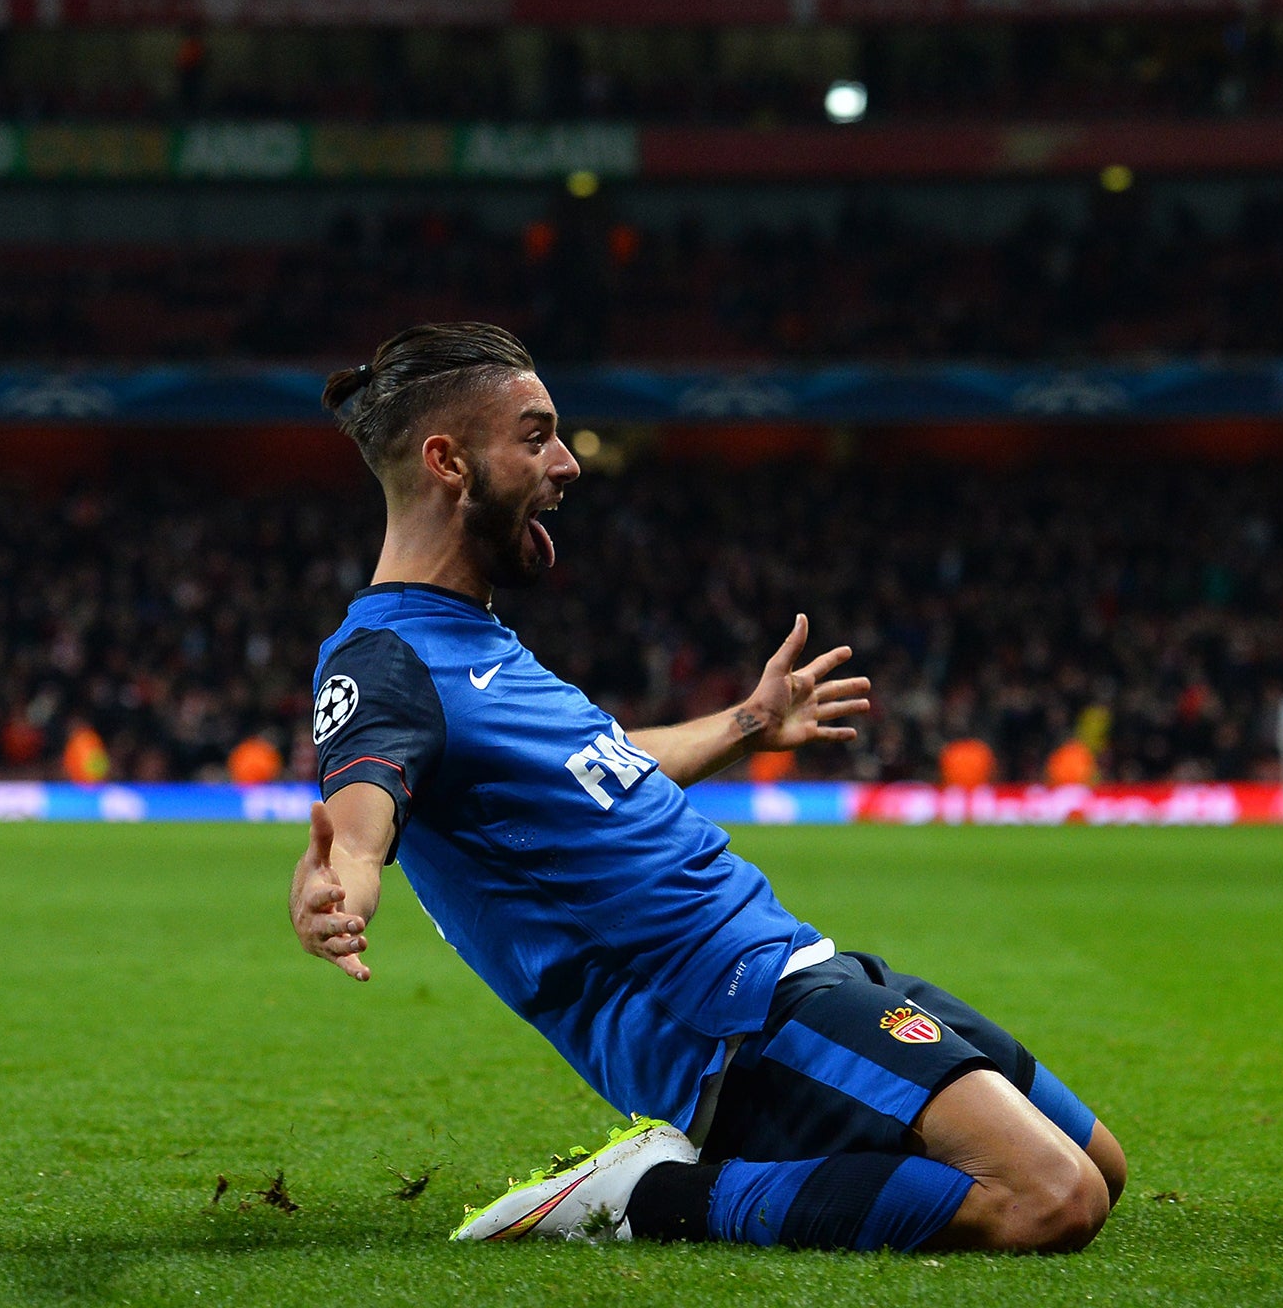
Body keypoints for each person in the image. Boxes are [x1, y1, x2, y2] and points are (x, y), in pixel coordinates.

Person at [288, 323, 1124, 1255]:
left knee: (1104, 1166)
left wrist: (746, 727)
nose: (567, 464)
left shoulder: (471, 639)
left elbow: (599, 763)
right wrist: (341, 883)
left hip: (798, 970)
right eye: (536, 436)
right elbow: (363, 812)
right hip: (726, 1025)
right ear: (448, 460)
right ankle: (648, 1196)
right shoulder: (386, 660)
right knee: (1051, 1200)